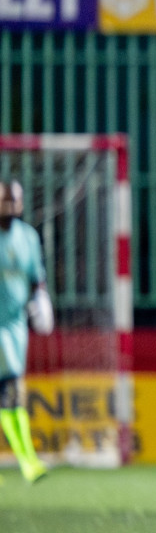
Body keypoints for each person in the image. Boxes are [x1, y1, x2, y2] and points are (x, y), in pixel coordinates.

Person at [0, 181, 53, 484]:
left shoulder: (28, 238)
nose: (8, 207)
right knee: (11, 390)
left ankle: (27, 460)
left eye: (13, 202)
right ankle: (27, 461)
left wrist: (40, 299)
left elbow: (36, 277)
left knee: (12, 392)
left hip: (15, 325)